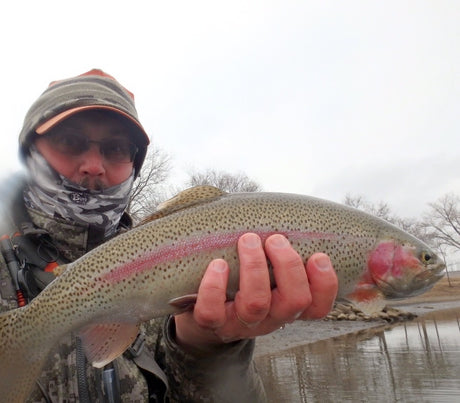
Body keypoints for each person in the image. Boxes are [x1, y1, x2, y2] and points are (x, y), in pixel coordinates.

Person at [0, 69, 338, 402]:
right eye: (70, 142)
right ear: (30, 152)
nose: (93, 165)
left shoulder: (173, 265)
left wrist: (207, 347)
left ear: (134, 167)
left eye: (116, 148)